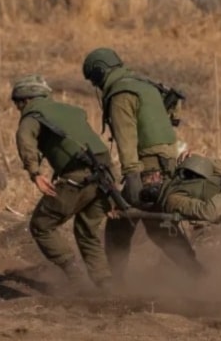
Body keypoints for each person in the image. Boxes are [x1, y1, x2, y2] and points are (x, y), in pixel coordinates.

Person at [81, 48, 203, 283]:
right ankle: (196, 272)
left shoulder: (120, 95)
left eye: (94, 79)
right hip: (167, 163)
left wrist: (132, 177)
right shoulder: (144, 84)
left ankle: (114, 283)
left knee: (122, 225)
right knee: (157, 224)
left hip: (147, 169)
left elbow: (126, 140)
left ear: (99, 73)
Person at [11, 74, 114, 292]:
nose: (19, 108)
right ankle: (106, 284)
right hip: (107, 175)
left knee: (42, 225)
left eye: (18, 104)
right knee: (87, 231)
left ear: (26, 100)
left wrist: (35, 173)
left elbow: (24, 138)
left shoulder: (33, 114)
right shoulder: (70, 110)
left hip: (78, 175)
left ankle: (76, 279)